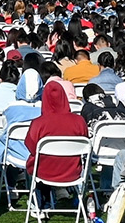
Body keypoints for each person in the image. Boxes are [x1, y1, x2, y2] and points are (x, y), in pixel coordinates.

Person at [23, 79, 86, 214]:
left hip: (44, 171)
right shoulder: (79, 121)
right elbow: (85, 145)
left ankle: (39, 203)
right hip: (72, 171)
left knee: (33, 163)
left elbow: (31, 147)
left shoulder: (39, 123)